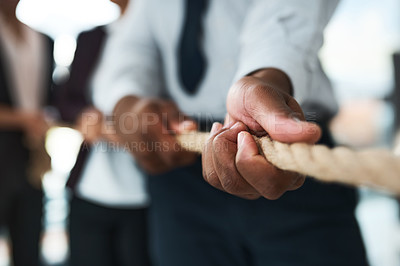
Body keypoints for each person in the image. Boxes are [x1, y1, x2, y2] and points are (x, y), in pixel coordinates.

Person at [94, 0, 368, 265]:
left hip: (286, 146)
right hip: (181, 168)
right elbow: (130, 51)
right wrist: (127, 103)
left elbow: (288, 12)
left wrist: (265, 80)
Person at [55, 0, 151, 265]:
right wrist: (84, 114)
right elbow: (66, 98)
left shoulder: (162, 37)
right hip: (91, 187)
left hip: (146, 194)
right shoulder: (92, 37)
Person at [0, 0, 54, 265]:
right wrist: (23, 118)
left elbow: (50, 98)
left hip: (31, 155)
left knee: (29, 243)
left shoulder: (43, 39)